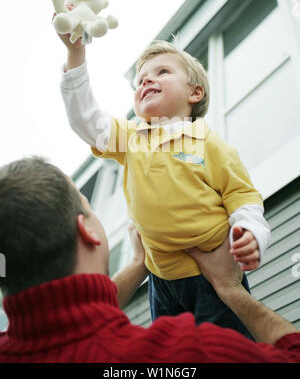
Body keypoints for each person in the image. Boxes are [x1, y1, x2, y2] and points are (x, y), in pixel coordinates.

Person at [57, 30, 271, 337]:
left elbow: (242, 195)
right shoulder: (131, 137)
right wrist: (75, 54)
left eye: (162, 72)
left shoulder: (210, 143)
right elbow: (85, 119)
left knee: (229, 352)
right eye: (140, 79)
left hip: (210, 274)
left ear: (194, 93)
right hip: (161, 280)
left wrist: (252, 234)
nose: (146, 80)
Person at [0, 156, 299, 364]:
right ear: (86, 230)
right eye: (89, 207)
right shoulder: (183, 354)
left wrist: (138, 263)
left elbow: (65, 324)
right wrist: (231, 290)